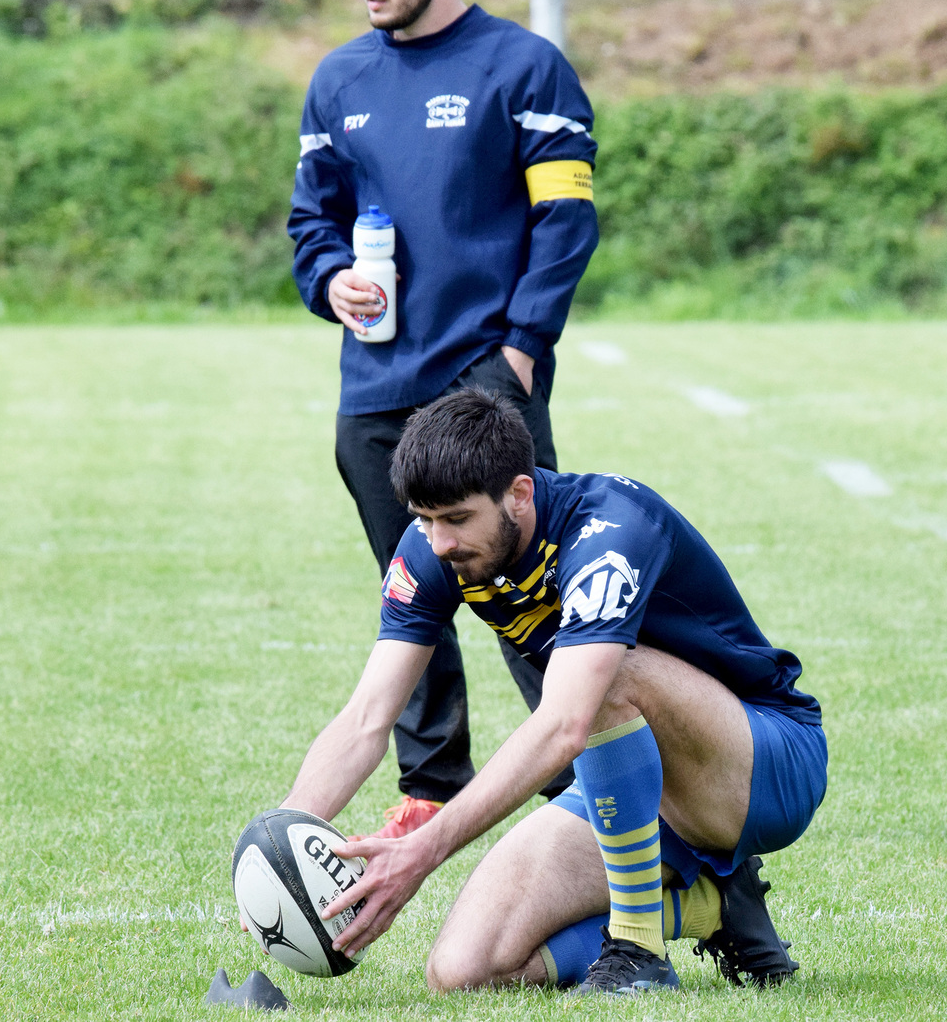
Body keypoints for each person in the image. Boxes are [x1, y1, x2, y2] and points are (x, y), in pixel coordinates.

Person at [276, 389, 827, 994]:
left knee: (605, 675)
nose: (438, 542)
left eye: (456, 519)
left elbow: (566, 723)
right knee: (463, 970)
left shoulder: (610, 530)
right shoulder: (436, 548)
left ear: (519, 493)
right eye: (424, 519)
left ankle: (638, 949)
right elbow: (366, 719)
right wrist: (279, 841)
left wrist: (424, 849)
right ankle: (715, 908)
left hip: (762, 765)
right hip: (630, 780)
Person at [287, 0, 600, 837]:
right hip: (375, 385)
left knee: (529, 590)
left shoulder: (525, 68)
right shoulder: (339, 78)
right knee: (408, 592)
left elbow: (566, 221)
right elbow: (312, 219)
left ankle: (585, 785)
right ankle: (429, 784)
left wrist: (522, 351)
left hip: (484, 380)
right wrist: (332, 277)